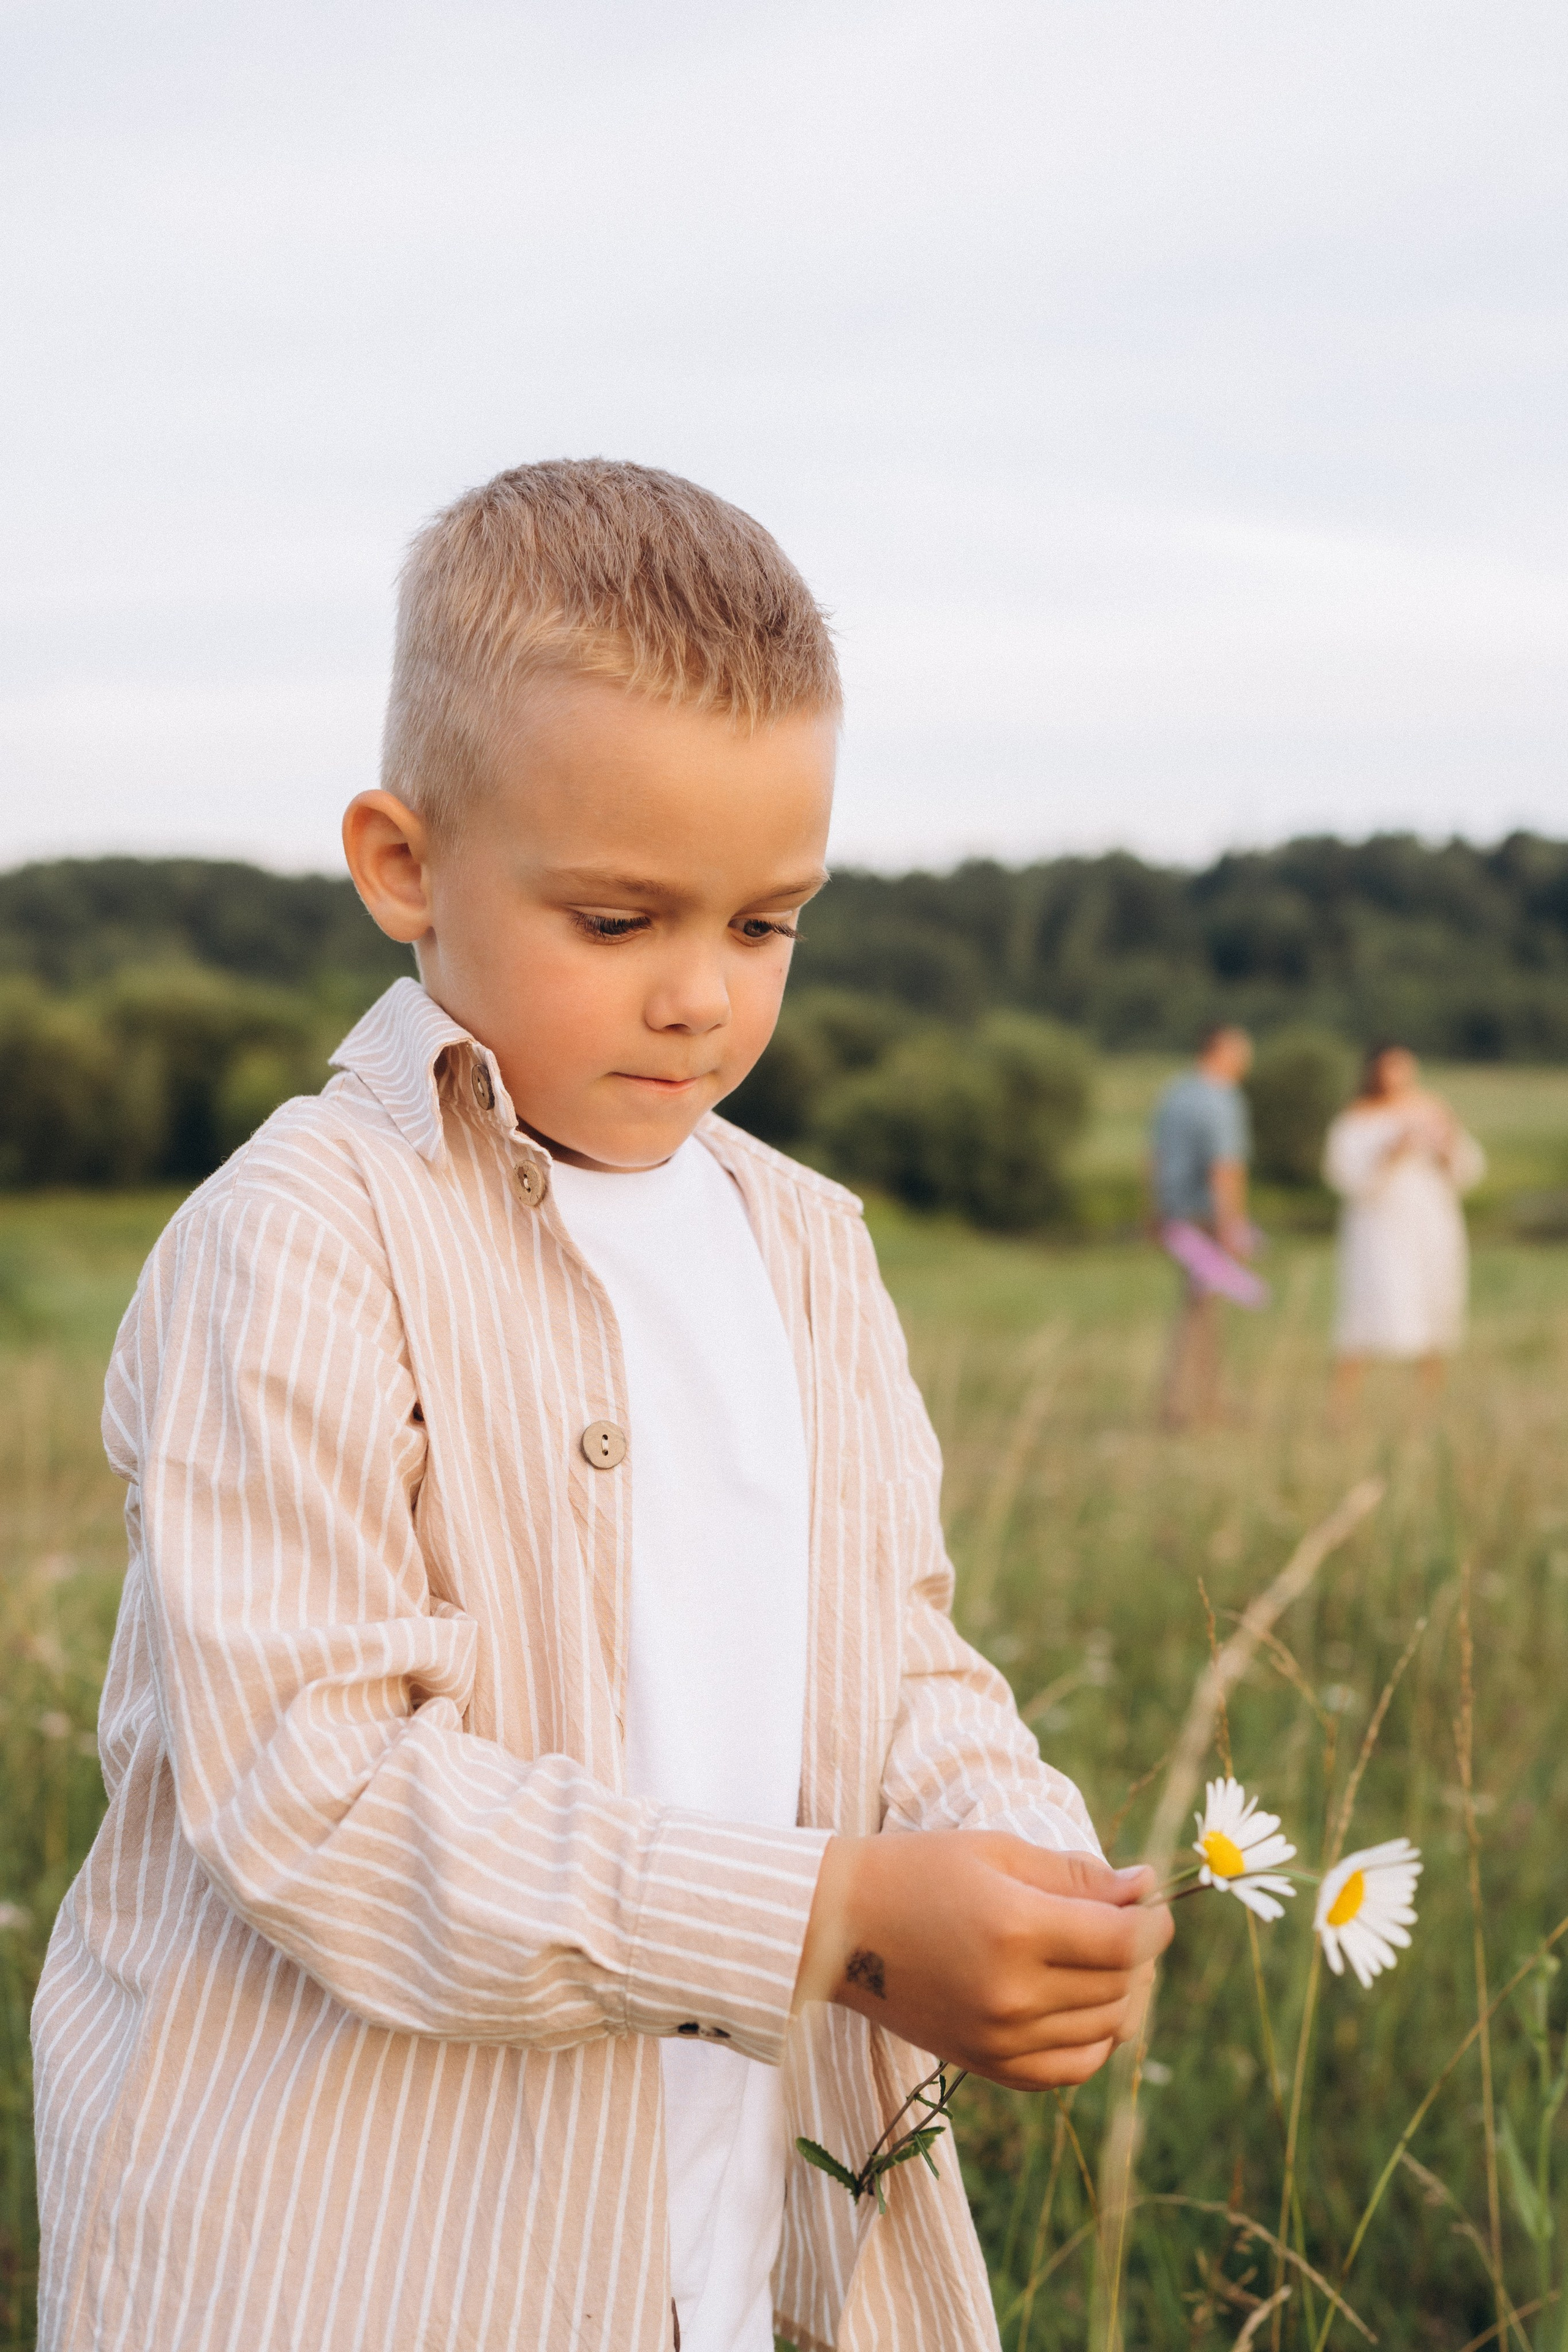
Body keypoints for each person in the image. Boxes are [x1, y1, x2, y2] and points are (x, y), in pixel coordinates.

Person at [33, 461, 1170, 2352]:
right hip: (345, 2264)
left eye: (766, 925)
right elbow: (322, 1798)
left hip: (709, 2249)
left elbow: (895, 1664)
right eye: (621, 919)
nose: (701, 999)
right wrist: (833, 1919)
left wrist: (1017, 1851)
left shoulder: (807, 1248)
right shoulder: (303, 1241)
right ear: (404, 864)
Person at [1323, 1043, 1485, 1406]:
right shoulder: (1355, 1118)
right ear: (1374, 1072)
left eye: (1404, 1067)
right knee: (1366, 1312)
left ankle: (1426, 1406)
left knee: (1435, 1308)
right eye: (1390, 1068)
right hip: (1378, 1232)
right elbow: (1345, 1177)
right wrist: (1390, 1153)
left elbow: (1468, 1168)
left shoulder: (1431, 1110)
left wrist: (1446, 1148)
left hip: (1431, 1226)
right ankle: (1341, 1407)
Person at [1149, 1025, 1263, 1429]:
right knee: (1201, 1313)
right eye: (1242, 1051)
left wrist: (1154, 1212)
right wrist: (1232, 1226)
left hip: (1176, 1215)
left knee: (1198, 1307)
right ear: (1221, 1051)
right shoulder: (1223, 1099)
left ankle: (1199, 1400)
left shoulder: (1175, 1093)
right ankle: (1189, 1405)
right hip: (1207, 1218)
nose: (1247, 1059)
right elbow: (1225, 1168)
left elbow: (1154, 1157)